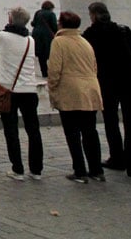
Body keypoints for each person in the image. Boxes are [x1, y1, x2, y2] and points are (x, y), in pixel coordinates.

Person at [82, 1, 131, 177]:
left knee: (111, 121)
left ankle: (116, 157)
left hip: (106, 83)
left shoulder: (90, 34)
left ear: (93, 16)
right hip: (128, 82)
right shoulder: (123, 30)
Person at [47, 10, 105, 183]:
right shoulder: (84, 41)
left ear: (62, 24)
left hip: (70, 91)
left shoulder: (59, 41)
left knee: (72, 132)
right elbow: (94, 66)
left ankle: (80, 170)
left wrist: (53, 88)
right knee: (90, 131)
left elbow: (55, 69)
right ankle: (96, 169)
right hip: (90, 89)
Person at [0, 6, 43, 180]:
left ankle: (17, 168)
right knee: (33, 130)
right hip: (29, 89)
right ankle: (36, 169)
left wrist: (0, 60)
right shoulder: (30, 40)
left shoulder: (2, 37)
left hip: (8, 90)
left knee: (11, 130)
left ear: (10, 19)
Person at [31, 0, 58, 77]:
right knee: (49, 53)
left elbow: (33, 23)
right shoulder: (51, 14)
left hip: (36, 35)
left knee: (40, 55)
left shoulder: (37, 12)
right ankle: (52, 72)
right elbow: (54, 26)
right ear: (51, 8)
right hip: (47, 36)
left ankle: (44, 72)